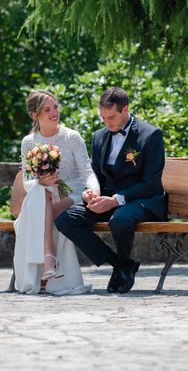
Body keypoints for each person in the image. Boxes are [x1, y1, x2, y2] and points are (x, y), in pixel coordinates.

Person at [55, 87, 168, 293]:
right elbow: (95, 173)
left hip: (143, 199)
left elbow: (151, 183)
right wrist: (91, 192)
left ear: (125, 109)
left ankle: (121, 267)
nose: (108, 123)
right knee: (65, 220)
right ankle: (121, 265)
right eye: (103, 118)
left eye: (111, 117)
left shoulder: (151, 135)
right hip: (108, 198)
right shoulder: (99, 136)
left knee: (120, 220)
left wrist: (116, 200)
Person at [14, 90, 98, 295]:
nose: (55, 112)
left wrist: (94, 188)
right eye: (47, 109)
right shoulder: (28, 141)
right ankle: (49, 261)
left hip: (72, 193)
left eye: (56, 107)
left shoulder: (71, 137)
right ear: (35, 115)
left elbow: (87, 170)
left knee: (42, 203)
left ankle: (47, 262)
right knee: (42, 194)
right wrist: (41, 180)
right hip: (44, 195)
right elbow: (27, 181)